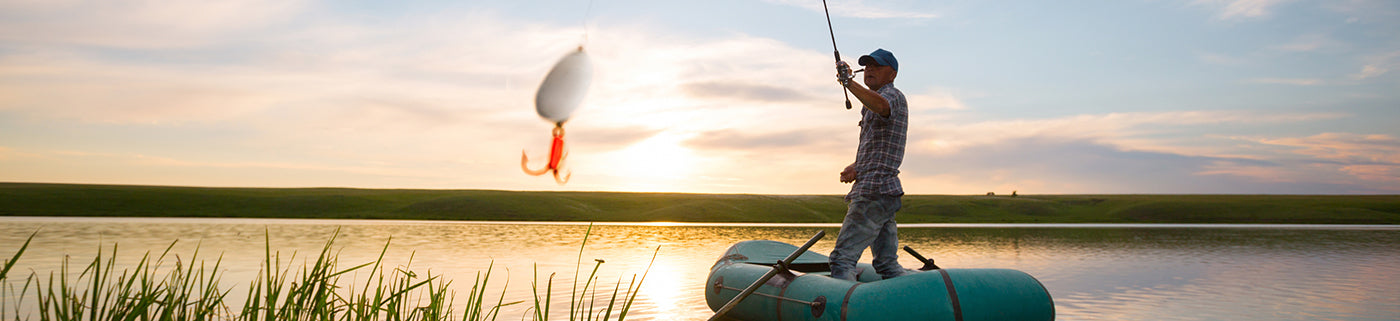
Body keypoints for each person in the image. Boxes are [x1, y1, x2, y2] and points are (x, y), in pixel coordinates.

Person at [829, 48, 909, 281]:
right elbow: (882, 145)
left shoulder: (892, 96)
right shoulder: (872, 101)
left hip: (875, 191)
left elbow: (883, 107)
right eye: (867, 66)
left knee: (841, 259)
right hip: (883, 191)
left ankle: (841, 312)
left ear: (892, 74)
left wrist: (849, 83)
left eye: (877, 66)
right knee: (886, 264)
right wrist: (857, 166)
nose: (870, 69)